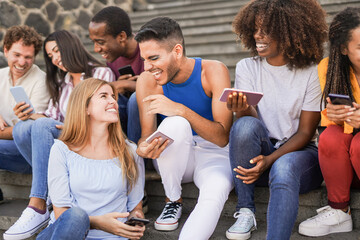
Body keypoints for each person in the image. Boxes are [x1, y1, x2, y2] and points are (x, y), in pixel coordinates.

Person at [225, 0, 328, 239]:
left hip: (298, 156)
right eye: (256, 28)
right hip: (259, 155)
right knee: (244, 125)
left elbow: (304, 133)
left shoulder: (312, 72)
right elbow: (250, 125)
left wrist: (270, 159)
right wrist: (241, 109)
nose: (258, 35)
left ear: (289, 32)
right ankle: (245, 210)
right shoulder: (247, 67)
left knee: (283, 168)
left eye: (267, 30)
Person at [4, 30, 115, 240]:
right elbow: (51, 117)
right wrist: (31, 115)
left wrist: (64, 124)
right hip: (64, 138)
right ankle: (49, 200)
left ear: (70, 46)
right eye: (51, 56)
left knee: (40, 126)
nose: (55, 59)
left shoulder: (100, 74)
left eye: (56, 51)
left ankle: (38, 205)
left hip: (88, 137)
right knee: (22, 128)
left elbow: (102, 114)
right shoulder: (62, 83)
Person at [134, 17, 234, 239]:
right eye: (144, 59)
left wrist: (181, 109)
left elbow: (222, 138)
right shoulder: (146, 80)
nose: (147, 66)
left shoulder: (213, 71)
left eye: (153, 58)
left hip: (215, 155)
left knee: (215, 191)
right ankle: (173, 200)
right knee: (175, 124)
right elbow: (145, 136)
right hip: (175, 157)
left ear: (177, 51)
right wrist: (142, 148)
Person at [36, 78, 146, 240]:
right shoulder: (61, 150)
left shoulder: (130, 151)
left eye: (113, 97)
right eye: (104, 96)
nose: (113, 101)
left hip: (114, 237)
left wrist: (136, 220)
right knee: (76, 216)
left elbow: (135, 207)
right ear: (85, 107)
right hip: (68, 234)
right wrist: (98, 223)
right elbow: (62, 214)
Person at [299, 7, 360, 237]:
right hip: (349, 169)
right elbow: (326, 119)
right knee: (330, 136)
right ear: (343, 49)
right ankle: (340, 212)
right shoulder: (329, 68)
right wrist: (332, 116)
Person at [0, 25, 49, 201]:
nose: (22, 62)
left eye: (28, 57)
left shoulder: (41, 81)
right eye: (17, 55)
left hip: (27, 154)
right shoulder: (1, 75)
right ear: (6, 51)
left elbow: (31, 132)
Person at [89, 6, 144, 142]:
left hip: (154, 115)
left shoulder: (148, 46)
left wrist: (126, 84)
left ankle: (135, 155)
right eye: (94, 42)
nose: (96, 49)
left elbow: (163, 88)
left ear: (121, 37)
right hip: (129, 117)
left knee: (135, 100)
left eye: (100, 42)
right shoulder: (113, 58)